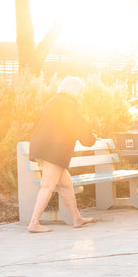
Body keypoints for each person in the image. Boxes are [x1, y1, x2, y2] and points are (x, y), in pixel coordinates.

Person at [27, 76, 97, 233]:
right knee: (48, 185)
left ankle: (77, 218)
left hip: (47, 148)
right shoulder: (68, 105)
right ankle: (34, 223)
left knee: (66, 184)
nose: (81, 95)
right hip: (53, 151)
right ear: (75, 90)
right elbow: (78, 126)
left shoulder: (53, 101)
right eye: (80, 92)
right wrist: (91, 138)